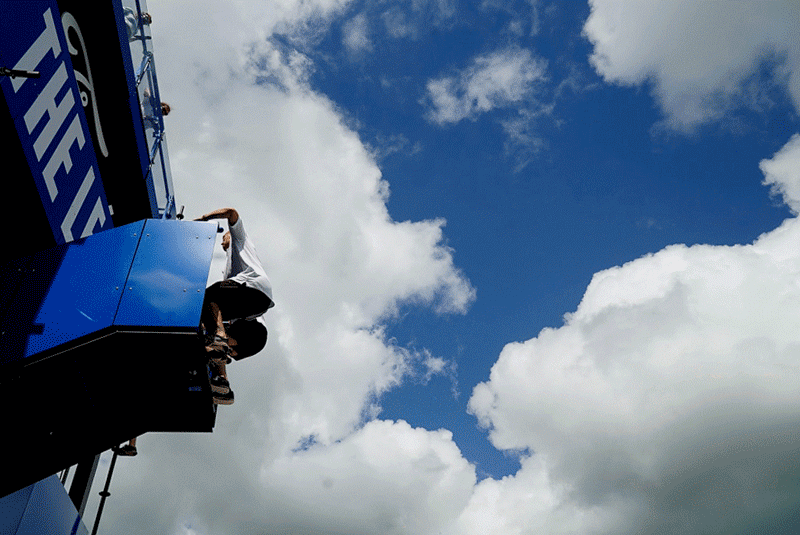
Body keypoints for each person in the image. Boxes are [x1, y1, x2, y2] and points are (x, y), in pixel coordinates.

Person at [196, 208, 274, 405]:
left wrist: (204, 218)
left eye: (224, 238)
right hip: (250, 338)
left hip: (255, 299)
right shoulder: (229, 276)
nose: (222, 243)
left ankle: (220, 339)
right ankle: (223, 384)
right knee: (213, 330)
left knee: (209, 296)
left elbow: (231, 212)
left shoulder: (241, 240)